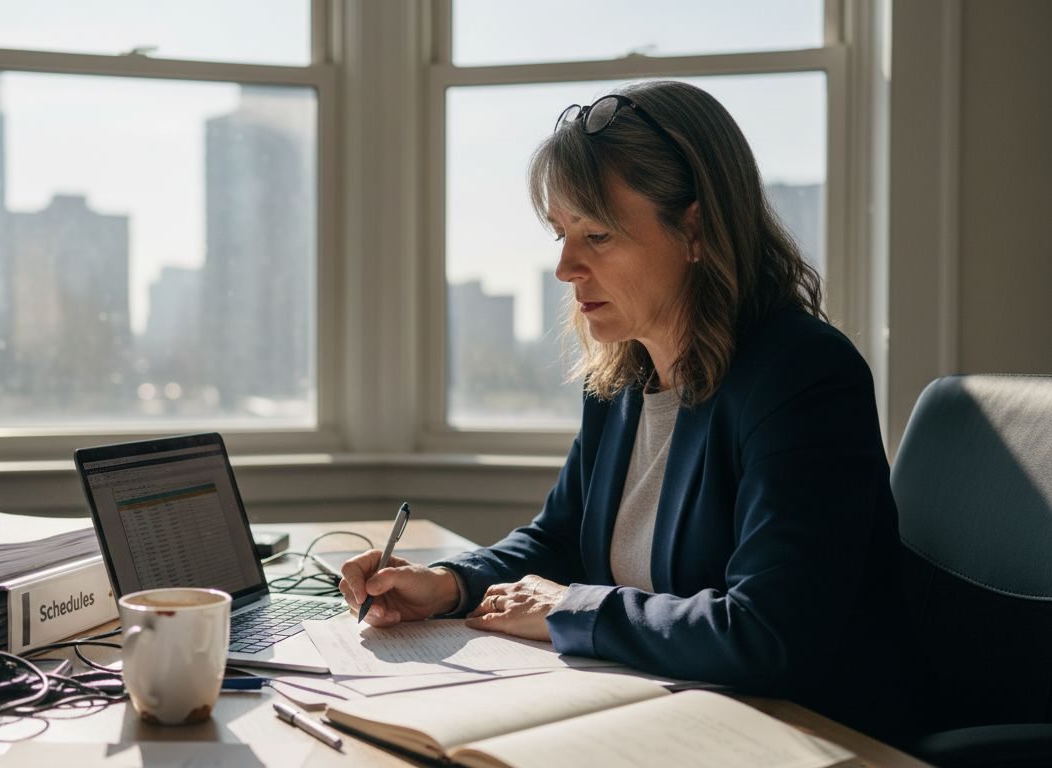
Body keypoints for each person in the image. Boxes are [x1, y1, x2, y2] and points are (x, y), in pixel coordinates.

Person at [339, 80, 912, 741]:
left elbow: (769, 635)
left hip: (809, 738)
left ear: (695, 229)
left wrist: (570, 608)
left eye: (597, 235)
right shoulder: (620, 378)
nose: (565, 266)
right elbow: (559, 537)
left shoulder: (802, 377)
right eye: (560, 233)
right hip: (667, 718)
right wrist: (449, 584)